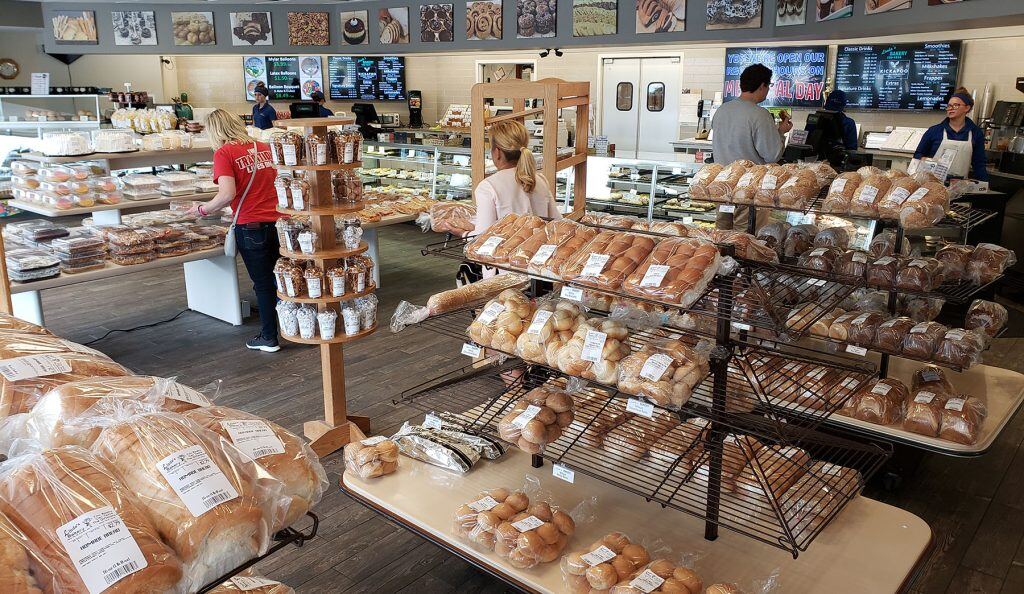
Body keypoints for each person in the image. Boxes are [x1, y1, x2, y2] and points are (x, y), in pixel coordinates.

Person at [188, 110, 282, 352]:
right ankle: (294, 326)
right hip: (281, 223)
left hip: (252, 226)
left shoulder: (224, 153)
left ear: (215, 131)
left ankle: (269, 337)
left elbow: (227, 193)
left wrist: (202, 209)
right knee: (281, 279)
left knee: (262, 283)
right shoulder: (263, 146)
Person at [472, 120, 562, 237]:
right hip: (536, 250)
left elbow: (481, 236)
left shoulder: (488, 186)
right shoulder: (540, 180)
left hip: (503, 253)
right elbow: (557, 223)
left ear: (497, 152)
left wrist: (463, 233)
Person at [711, 64, 793, 165]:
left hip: (722, 176)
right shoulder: (760, 114)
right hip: (749, 178)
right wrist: (781, 132)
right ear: (762, 86)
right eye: (769, 85)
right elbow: (772, 156)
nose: (768, 90)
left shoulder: (721, 110)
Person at [914, 88, 989, 181]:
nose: (950, 108)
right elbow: (917, 155)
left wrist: (985, 185)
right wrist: (927, 160)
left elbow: (979, 163)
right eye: (949, 106)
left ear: (967, 108)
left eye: (956, 105)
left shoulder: (975, 133)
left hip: (959, 186)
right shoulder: (934, 131)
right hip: (932, 184)